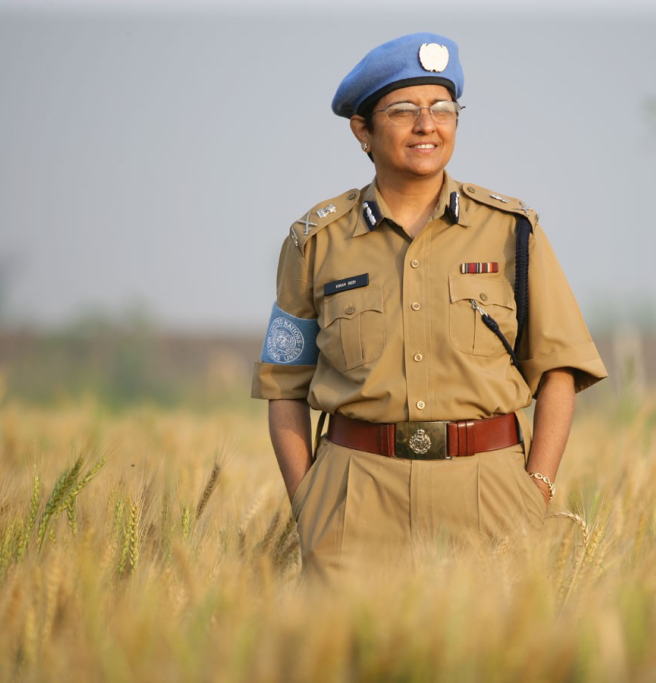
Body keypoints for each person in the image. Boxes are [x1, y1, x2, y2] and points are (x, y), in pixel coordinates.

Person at [252, 32, 607, 586]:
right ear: (362, 131)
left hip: (489, 495)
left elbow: (560, 367)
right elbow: (283, 385)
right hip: (354, 499)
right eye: (403, 111)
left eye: (442, 109)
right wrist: (310, 505)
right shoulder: (315, 242)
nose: (427, 125)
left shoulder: (512, 231)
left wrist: (535, 490)